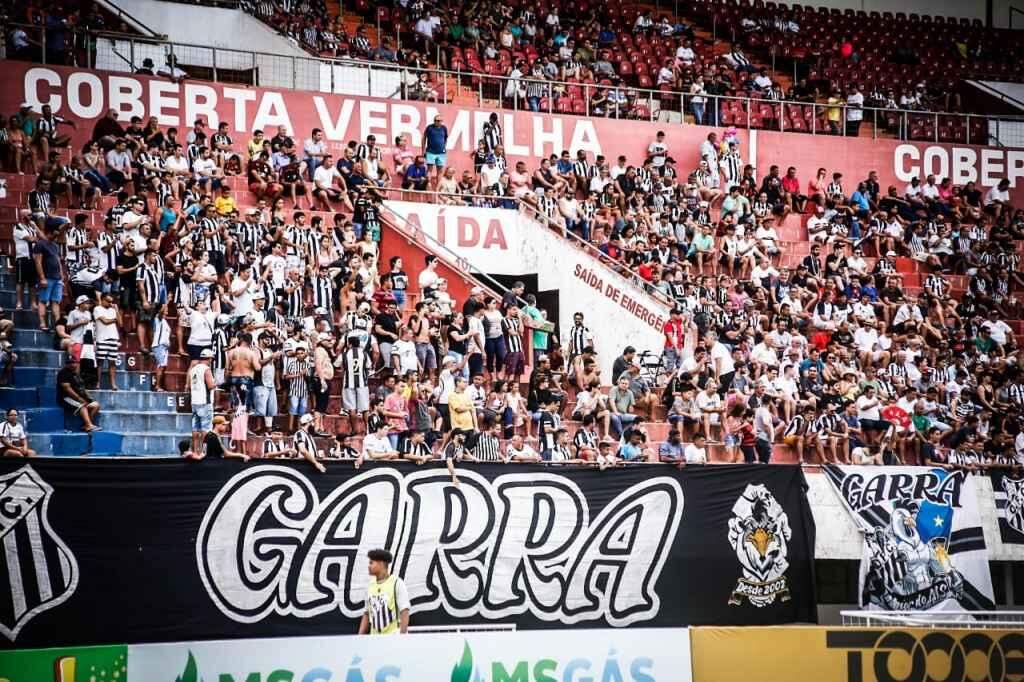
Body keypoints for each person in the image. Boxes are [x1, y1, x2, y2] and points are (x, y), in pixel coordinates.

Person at [358, 549, 410, 635]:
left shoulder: (397, 583)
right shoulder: (370, 585)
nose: (369, 566)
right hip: (375, 640)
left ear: (381, 564)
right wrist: (359, 637)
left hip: (393, 638)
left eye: (371, 563)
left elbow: (404, 611)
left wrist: (402, 637)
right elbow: (367, 613)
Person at [56, 357, 101, 432]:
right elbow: (68, 389)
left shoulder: (75, 373)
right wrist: (79, 399)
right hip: (66, 398)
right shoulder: (63, 373)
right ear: (67, 364)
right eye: (70, 363)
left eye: (74, 363)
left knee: (96, 405)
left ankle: (87, 424)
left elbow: (82, 387)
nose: (73, 365)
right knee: (82, 406)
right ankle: (89, 425)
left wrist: (89, 399)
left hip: (78, 398)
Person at [189, 348, 216, 455]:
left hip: (194, 401)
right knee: (206, 428)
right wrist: (217, 383)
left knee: (195, 428)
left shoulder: (193, 369)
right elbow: (210, 385)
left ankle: (196, 451)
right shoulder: (206, 369)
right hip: (205, 401)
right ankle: (204, 452)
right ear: (209, 359)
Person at [423, 115, 448, 189]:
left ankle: (438, 189)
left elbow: (445, 138)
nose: (437, 122)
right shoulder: (429, 127)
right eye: (435, 120)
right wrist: (423, 150)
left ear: (442, 121)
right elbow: (424, 138)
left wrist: (444, 147)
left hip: (441, 153)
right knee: (429, 169)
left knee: (440, 171)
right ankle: (428, 184)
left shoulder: (444, 128)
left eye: (439, 121)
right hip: (431, 152)